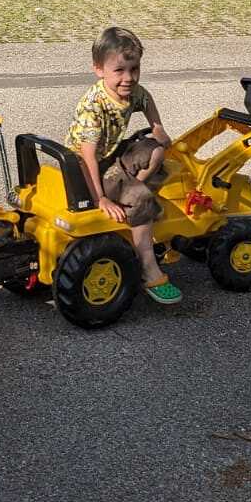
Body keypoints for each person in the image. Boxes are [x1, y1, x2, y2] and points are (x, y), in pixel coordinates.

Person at [66, 26, 182, 305]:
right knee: (141, 198)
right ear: (98, 69)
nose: (128, 78)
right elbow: (87, 157)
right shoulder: (93, 107)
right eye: (119, 70)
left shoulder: (131, 91)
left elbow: (146, 98)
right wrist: (101, 199)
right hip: (86, 168)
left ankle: (129, 191)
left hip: (112, 155)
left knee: (157, 151)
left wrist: (157, 127)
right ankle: (148, 268)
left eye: (134, 69)